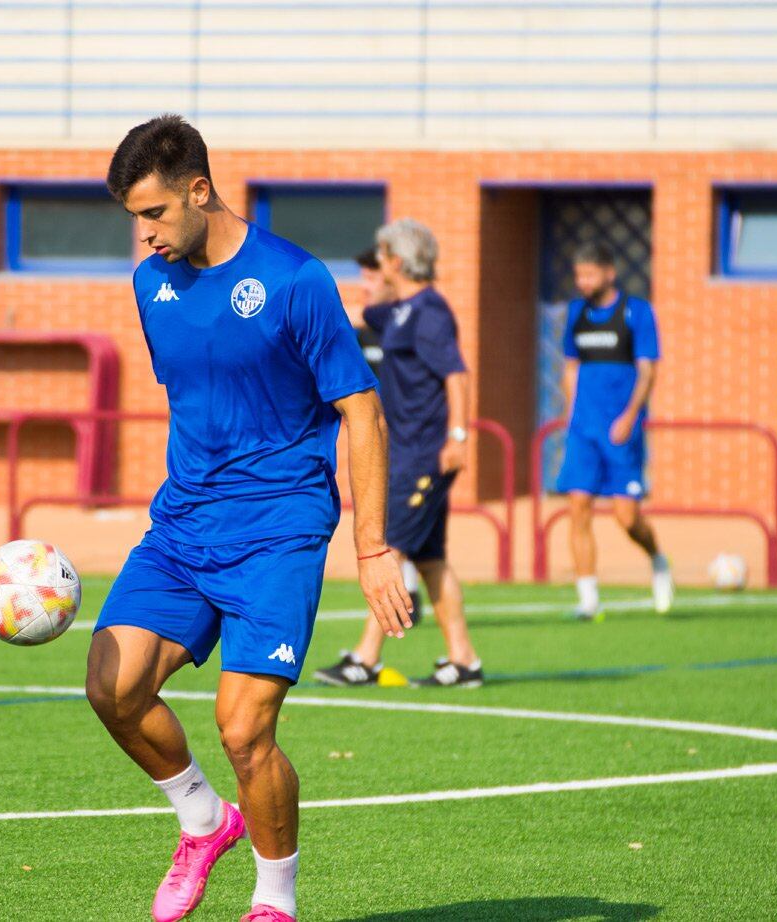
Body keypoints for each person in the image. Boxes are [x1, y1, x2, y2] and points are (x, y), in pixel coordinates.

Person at [86, 115, 412, 922]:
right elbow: (201, 397)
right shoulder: (150, 284)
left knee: (243, 731)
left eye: (156, 213)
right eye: (135, 218)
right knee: (111, 687)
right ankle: (204, 820)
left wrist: (372, 546)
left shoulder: (297, 281)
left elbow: (361, 413)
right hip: (184, 525)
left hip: (279, 530)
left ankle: (275, 901)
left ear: (201, 190)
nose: (147, 234)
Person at [315, 219, 483, 689]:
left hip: (426, 454)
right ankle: (464, 661)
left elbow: (457, 376)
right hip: (405, 450)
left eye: (384, 257)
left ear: (400, 261)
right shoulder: (402, 310)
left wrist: (459, 437)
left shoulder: (430, 311)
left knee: (389, 549)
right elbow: (358, 315)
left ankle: (365, 659)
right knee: (430, 561)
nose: (378, 266)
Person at [556, 242, 673, 620]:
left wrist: (629, 416)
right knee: (578, 509)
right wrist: (570, 414)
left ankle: (657, 559)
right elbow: (571, 367)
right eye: (578, 275)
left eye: (589, 274)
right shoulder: (577, 312)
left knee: (626, 517)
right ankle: (588, 599)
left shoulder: (635, 312)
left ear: (609, 272)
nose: (583, 282)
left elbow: (648, 371)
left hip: (621, 430)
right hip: (583, 431)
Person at [353, 247, 425, 620]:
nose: (363, 285)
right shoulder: (362, 328)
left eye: (370, 277)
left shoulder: (412, 320)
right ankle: (461, 655)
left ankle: (367, 655)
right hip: (381, 442)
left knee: (394, 531)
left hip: (413, 444)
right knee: (421, 541)